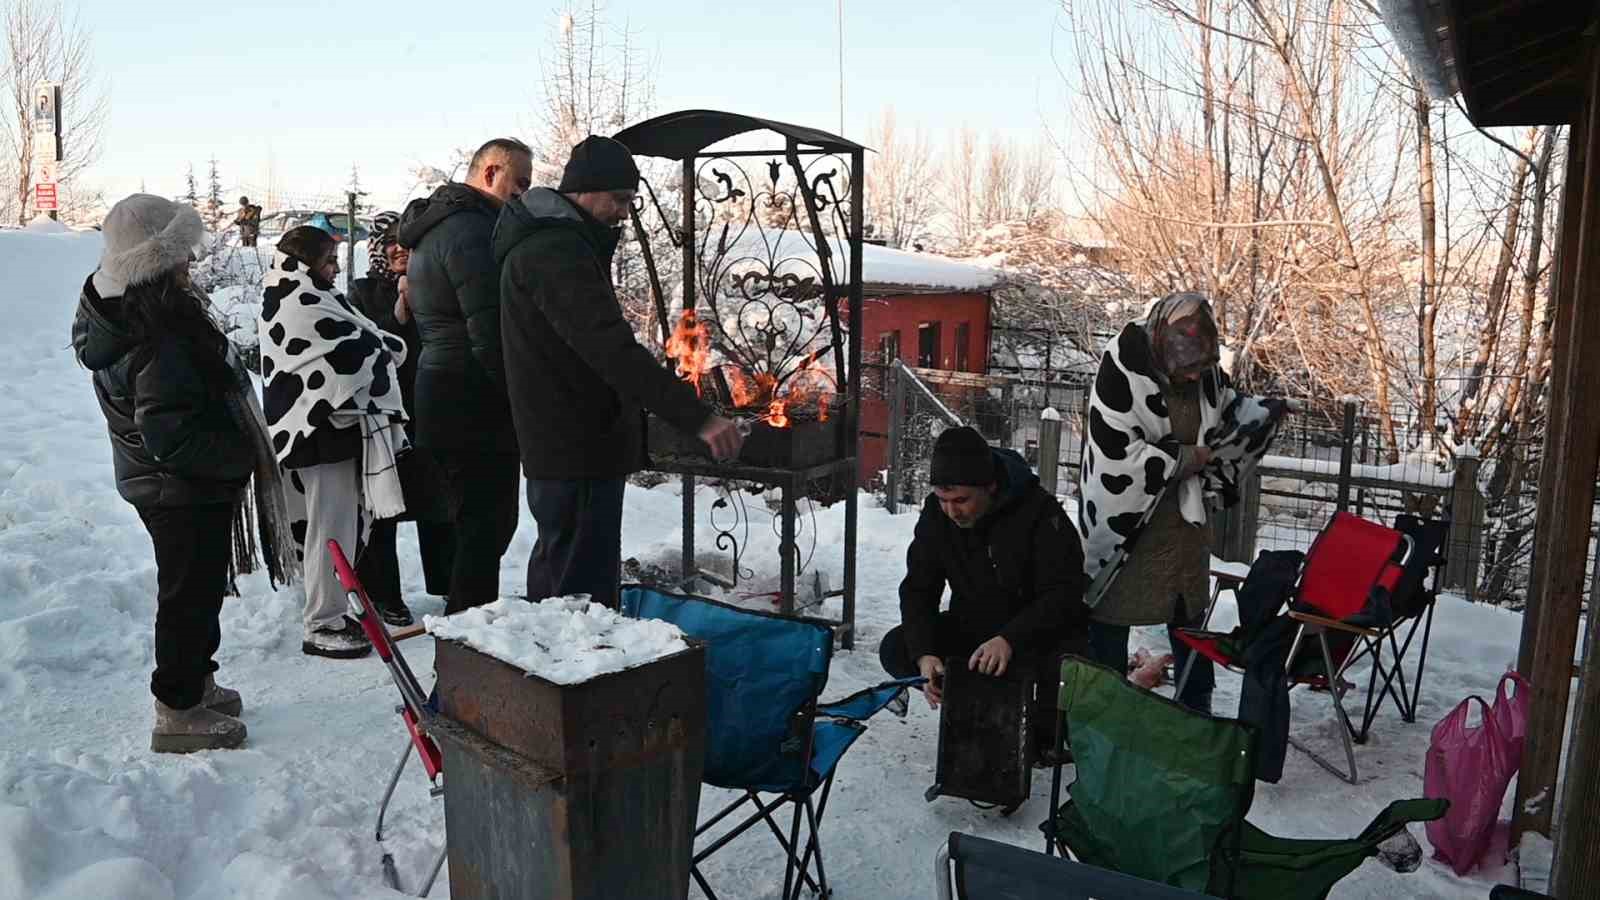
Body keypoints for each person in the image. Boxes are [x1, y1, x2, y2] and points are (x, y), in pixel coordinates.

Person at [71, 194, 297, 753]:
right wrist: (239, 456)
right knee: (187, 595)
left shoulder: (140, 313)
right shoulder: (157, 332)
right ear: (157, 260)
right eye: (180, 255)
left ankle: (197, 680)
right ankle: (177, 707)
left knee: (198, 588)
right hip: (179, 488)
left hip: (177, 484)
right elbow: (171, 435)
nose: (190, 265)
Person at [495, 135, 745, 608]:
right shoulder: (556, 252)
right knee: (578, 600)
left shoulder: (552, 244)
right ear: (584, 190)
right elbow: (610, 350)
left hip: (563, 443)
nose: (624, 212)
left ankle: (553, 674)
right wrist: (699, 417)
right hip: (577, 445)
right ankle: (575, 679)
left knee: (560, 581)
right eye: (619, 199)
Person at [1077, 292, 1286, 713]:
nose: (1193, 378)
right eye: (1185, 368)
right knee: (1109, 622)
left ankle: (1195, 715)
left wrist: (1262, 414)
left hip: (1182, 525)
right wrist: (1187, 458)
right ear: (1161, 344)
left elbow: (1227, 410)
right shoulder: (1122, 367)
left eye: (1199, 368)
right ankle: (1098, 719)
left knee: (1189, 621)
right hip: (1127, 529)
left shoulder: (1204, 373)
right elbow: (1116, 454)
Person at [879, 425, 1089, 759]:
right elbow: (919, 588)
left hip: (1035, 635)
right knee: (897, 646)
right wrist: (925, 654)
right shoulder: (938, 514)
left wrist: (1010, 638)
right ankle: (968, 702)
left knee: (1065, 674)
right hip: (975, 627)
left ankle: (1038, 729)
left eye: (961, 500)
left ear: (990, 488)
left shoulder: (1040, 512)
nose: (952, 511)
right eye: (943, 500)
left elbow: (1064, 594)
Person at [397, 138, 533, 614]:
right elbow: (491, 331)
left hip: (442, 391)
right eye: (519, 184)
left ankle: (463, 630)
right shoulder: (473, 232)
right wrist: (523, 399)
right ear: (491, 172)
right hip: (473, 401)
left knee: (469, 527)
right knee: (486, 527)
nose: (522, 196)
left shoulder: (437, 226)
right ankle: (469, 644)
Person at [261, 226, 410, 658]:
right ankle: (322, 621)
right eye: (328, 260)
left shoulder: (304, 290)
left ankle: (330, 611)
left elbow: (364, 341)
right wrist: (384, 349)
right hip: (318, 430)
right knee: (330, 528)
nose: (334, 268)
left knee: (341, 527)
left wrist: (382, 347)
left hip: (327, 429)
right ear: (307, 261)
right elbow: (353, 351)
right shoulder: (296, 298)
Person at [349, 211, 457, 625]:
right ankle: (384, 595)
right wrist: (397, 314)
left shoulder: (437, 283)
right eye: (390, 241)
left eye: (405, 241)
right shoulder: (361, 293)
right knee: (384, 509)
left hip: (432, 409)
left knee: (440, 503)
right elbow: (363, 348)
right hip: (385, 418)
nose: (399, 249)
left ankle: (451, 584)